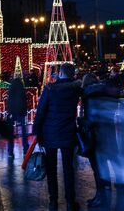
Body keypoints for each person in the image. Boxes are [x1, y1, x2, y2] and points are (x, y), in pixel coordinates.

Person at [34, 63, 81, 211]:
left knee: (51, 169)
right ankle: (70, 202)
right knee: (68, 168)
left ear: (60, 73)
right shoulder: (75, 90)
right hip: (68, 133)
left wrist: (37, 131)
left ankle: (53, 201)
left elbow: (40, 112)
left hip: (50, 134)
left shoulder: (49, 89)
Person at [82, 73, 120, 207]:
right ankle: (119, 189)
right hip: (109, 132)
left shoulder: (89, 94)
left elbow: (92, 118)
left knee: (98, 168)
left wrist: (83, 122)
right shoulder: (106, 91)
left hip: (96, 136)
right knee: (113, 161)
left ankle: (101, 197)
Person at [7, 74, 29, 157]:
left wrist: (9, 111)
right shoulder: (21, 87)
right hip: (21, 111)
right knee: (24, 130)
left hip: (12, 111)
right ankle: (25, 149)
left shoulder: (11, 86)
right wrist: (24, 111)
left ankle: (10, 151)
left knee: (11, 132)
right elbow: (24, 100)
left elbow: (9, 100)